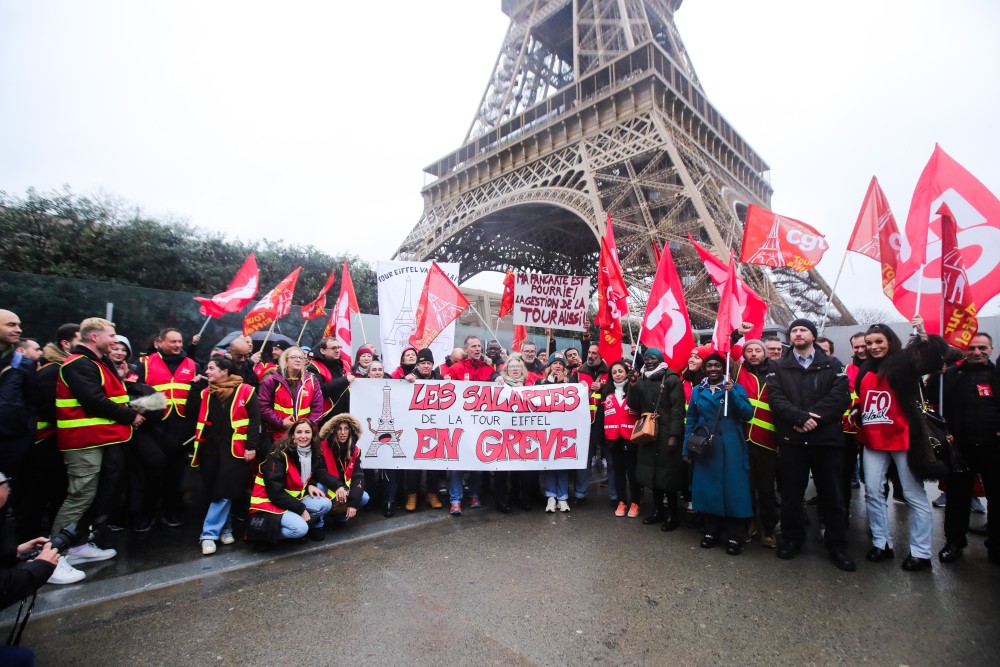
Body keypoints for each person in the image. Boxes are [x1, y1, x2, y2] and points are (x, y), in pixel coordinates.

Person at [51, 317, 144, 584]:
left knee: (91, 496)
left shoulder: (95, 363)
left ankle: (77, 546)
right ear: (94, 337)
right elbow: (93, 402)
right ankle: (53, 557)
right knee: (79, 496)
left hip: (99, 440)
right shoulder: (79, 364)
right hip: (84, 443)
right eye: (111, 335)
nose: (116, 340)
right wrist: (130, 416)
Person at [850, 319, 945, 572]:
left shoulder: (906, 362)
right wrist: (858, 409)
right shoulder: (865, 369)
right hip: (872, 439)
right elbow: (864, 397)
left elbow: (935, 359)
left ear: (890, 341)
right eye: (869, 343)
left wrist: (924, 335)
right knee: (872, 491)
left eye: (878, 341)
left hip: (904, 438)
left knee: (914, 495)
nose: (873, 346)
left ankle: (921, 552)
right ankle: (881, 543)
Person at [766, 318, 855, 572]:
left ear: (813, 336)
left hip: (825, 440)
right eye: (794, 330)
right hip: (793, 441)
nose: (798, 333)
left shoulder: (832, 364)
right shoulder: (779, 366)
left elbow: (840, 397)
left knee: (833, 495)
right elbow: (776, 399)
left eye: (803, 329)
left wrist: (812, 418)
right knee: (792, 494)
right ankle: (793, 539)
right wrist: (800, 418)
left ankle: (837, 544)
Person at [684, 352, 755, 554]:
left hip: (732, 445)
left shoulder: (736, 388)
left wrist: (731, 392)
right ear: (705, 369)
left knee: (734, 489)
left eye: (717, 365)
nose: (713, 369)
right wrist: (686, 448)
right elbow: (691, 420)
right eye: (710, 365)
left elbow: (747, 414)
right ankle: (711, 531)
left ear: (724, 369)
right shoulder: (698, 391)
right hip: (706, 446)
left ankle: (735, 536)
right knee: (709, 488)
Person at [939, 332, 1000, 565]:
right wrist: (938, 374)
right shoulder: (952, 374)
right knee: (957, 498)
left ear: (991, 350)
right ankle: (954, 542)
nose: (977, 352)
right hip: (960, 447)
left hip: (993, 447)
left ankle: (996, 546)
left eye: (982, 348)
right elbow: (934, 396)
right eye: (972, 348)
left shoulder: (997, 374)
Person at [191, 356, 261, 555]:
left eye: (211, 368)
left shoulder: (245, 390)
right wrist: (194, 388)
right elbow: (191, 414)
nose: (207, 372)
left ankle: (208, 534)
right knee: (215, 490)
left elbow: (255, 420)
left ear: (225, 371)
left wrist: (251, 446)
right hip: (210, 449)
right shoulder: (205, 392)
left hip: (235, 448)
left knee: (223, 489)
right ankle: (226, 529)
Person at [136, 327, 200, 528]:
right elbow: (136, 393)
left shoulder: (193, 364)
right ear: (160, 342)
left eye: (180, 342)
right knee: (150, 471)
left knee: (176, 472)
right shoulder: (144, 364)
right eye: (173, 342)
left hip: (182, 425)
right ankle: (147, 513)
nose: (178, 345)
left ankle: (172, 510)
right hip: (154, 425)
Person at [20, 324, 77, 544]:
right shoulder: (54, 371)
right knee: (42, 493)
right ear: (65, 343)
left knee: (58, 492)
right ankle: (31, 542)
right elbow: (47, 408)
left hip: (60, 441)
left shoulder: (64, 367)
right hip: (47, 442)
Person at [626, 348, 686, 532]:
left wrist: (674, 435)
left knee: (667, 477)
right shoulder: (641, 378)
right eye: (646, 358)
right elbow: (633, 404)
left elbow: (678, 409)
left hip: (666, 433)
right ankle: (658, 510)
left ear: (660, 359)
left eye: (653, 358)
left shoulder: (671, 379)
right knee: (652, 476)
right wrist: (633, 384)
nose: (649, 361)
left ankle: (672, 515)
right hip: (649, 432)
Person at [248, 418, 336, 542]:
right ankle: (262, 535)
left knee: (325, 504)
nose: (303, 436)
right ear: (292, 435)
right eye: (299, 432)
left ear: (313, 435)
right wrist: (301, 510)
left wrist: (310, 484)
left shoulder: (310, 452)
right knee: (300, 529)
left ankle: (301, 525)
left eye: (307, 432)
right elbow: (275, 493)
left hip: (290, 500)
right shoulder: (278, 455)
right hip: (268, 504)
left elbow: (306, 475)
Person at [730, 328, 778, 548]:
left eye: (758, 350)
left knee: (766, 489)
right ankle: (748, 523)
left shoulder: (777, 374)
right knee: (744, 488)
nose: (754, 354)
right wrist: (736, 334)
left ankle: (768, 528)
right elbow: (723, 350)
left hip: (768, 441)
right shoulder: (737, 370)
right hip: (741, 439)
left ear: (765, 354)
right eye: (750, 350)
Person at [391, 348, 444, 512]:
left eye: (429, 363)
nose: (426, 366)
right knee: (412, 464)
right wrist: (403, 380)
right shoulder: (409, 378)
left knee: (434, 463)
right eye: (422, 363)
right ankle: (412, 494)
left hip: (434, 426)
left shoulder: (440, 379)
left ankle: (431, 493)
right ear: (418, 365)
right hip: (412, 428)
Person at [443, 336, 492, 515]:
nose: (478, 349)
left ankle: (474, 494)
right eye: (474, 346)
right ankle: (455, 499)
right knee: (457, 462)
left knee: (476, 461)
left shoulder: (488, 368)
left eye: (480, 345)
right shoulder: (455, 369)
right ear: (466, 349)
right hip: (459, 423)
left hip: (480, 424)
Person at [0, 309, 36, 544]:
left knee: (15, 499)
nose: (18, 329)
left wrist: (27, 435)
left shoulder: (23, 364)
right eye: (11, 325)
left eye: (19, 324)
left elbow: (32, 403)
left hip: (14, 443)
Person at [258, 346, 324, 456]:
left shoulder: (312, 380)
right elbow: (263, 406)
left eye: (301, 357)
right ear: (285, 360)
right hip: (279, 434)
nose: (298, 360)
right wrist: (281, 422)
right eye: (293, 357)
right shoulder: (272, 380)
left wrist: (307, 427)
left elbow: (318, 408)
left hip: (305, 436)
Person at [492, 354, 536, 513]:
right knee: (502, 470)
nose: (515, 369)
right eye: (512, 367)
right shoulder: (499, 384)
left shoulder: (530, 384)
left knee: (523, 469)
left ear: (522, 369)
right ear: (506, 370)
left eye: (518, 366)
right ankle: (501, 500)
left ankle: (522, 498)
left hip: (524, 433)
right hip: (503, 433)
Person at [602, 361, 641, 517]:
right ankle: (621, 501)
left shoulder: (634, 388)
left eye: (620, 371)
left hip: (630, 437)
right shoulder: (607, 392)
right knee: (618, 471)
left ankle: (635, 502)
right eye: (614, 372)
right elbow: (601, 415)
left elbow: (639, 404)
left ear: (626, 372)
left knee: (632, 472)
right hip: (613, 438)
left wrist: (634, 384)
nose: (617, 374)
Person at [318, 413, 369, 525]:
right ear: (333, 431)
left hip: (343, 489)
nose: (343, 433)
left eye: (346, 429)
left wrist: (353, 504)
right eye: (339, 429)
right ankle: (318, 523)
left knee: (364, 497)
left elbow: (358, 476)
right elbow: (320, 472)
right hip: (330, 486)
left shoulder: (355, 450)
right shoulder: (323, 447)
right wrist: (338, 486)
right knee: (319, 486)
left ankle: (340, 515)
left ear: (350, 431)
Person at [540, 356, 574, 512]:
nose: (558, 366)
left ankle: (563, 497)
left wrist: (562, 383)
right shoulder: (539, 383)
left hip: (565, 430)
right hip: (546, 431)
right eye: (555, 363)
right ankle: (551, 497)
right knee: (550, 465)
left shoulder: (571, 383)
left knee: (563, 464)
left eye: (561, 364)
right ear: (549, 366)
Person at [308, 337, 354, 422]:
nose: (337, 350)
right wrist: (344, 381)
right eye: (333, 348)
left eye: (338, 348)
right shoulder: (313, 367)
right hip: (327, 416)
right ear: (322, 351)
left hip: (348, 414)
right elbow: (320, 391)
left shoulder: (345, 364)